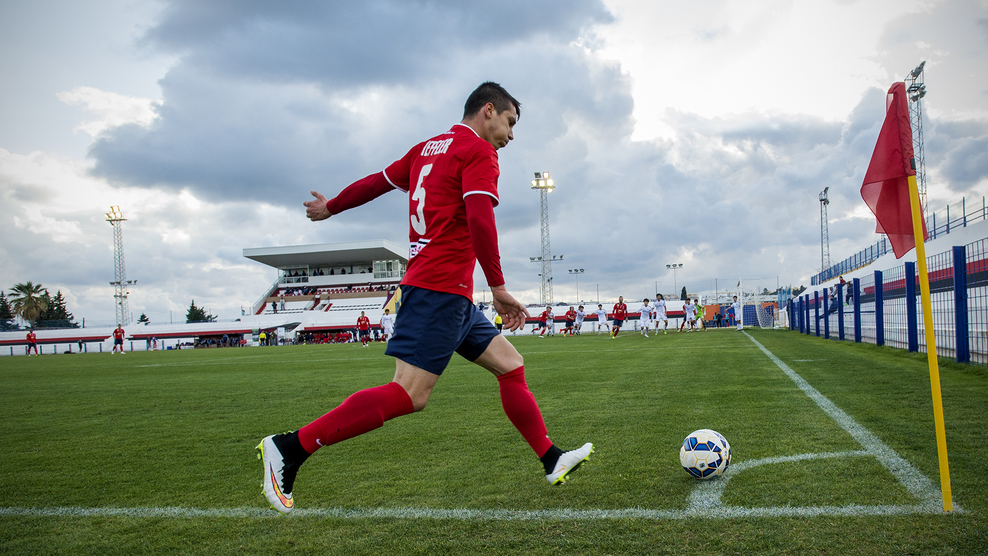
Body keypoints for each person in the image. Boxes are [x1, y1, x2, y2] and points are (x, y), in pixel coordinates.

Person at [256, 82, 592, 514]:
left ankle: (550, 457)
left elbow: (376, 183)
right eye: (510, 122)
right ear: (488, 110)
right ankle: (290, 448)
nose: (511, 135)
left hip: (449, 293)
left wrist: (333, 206)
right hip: (439, 289)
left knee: (510, 365)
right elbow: (480, 218)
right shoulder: (477, 151)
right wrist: (498, 286)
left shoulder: (426, 149)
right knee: (409, 394)